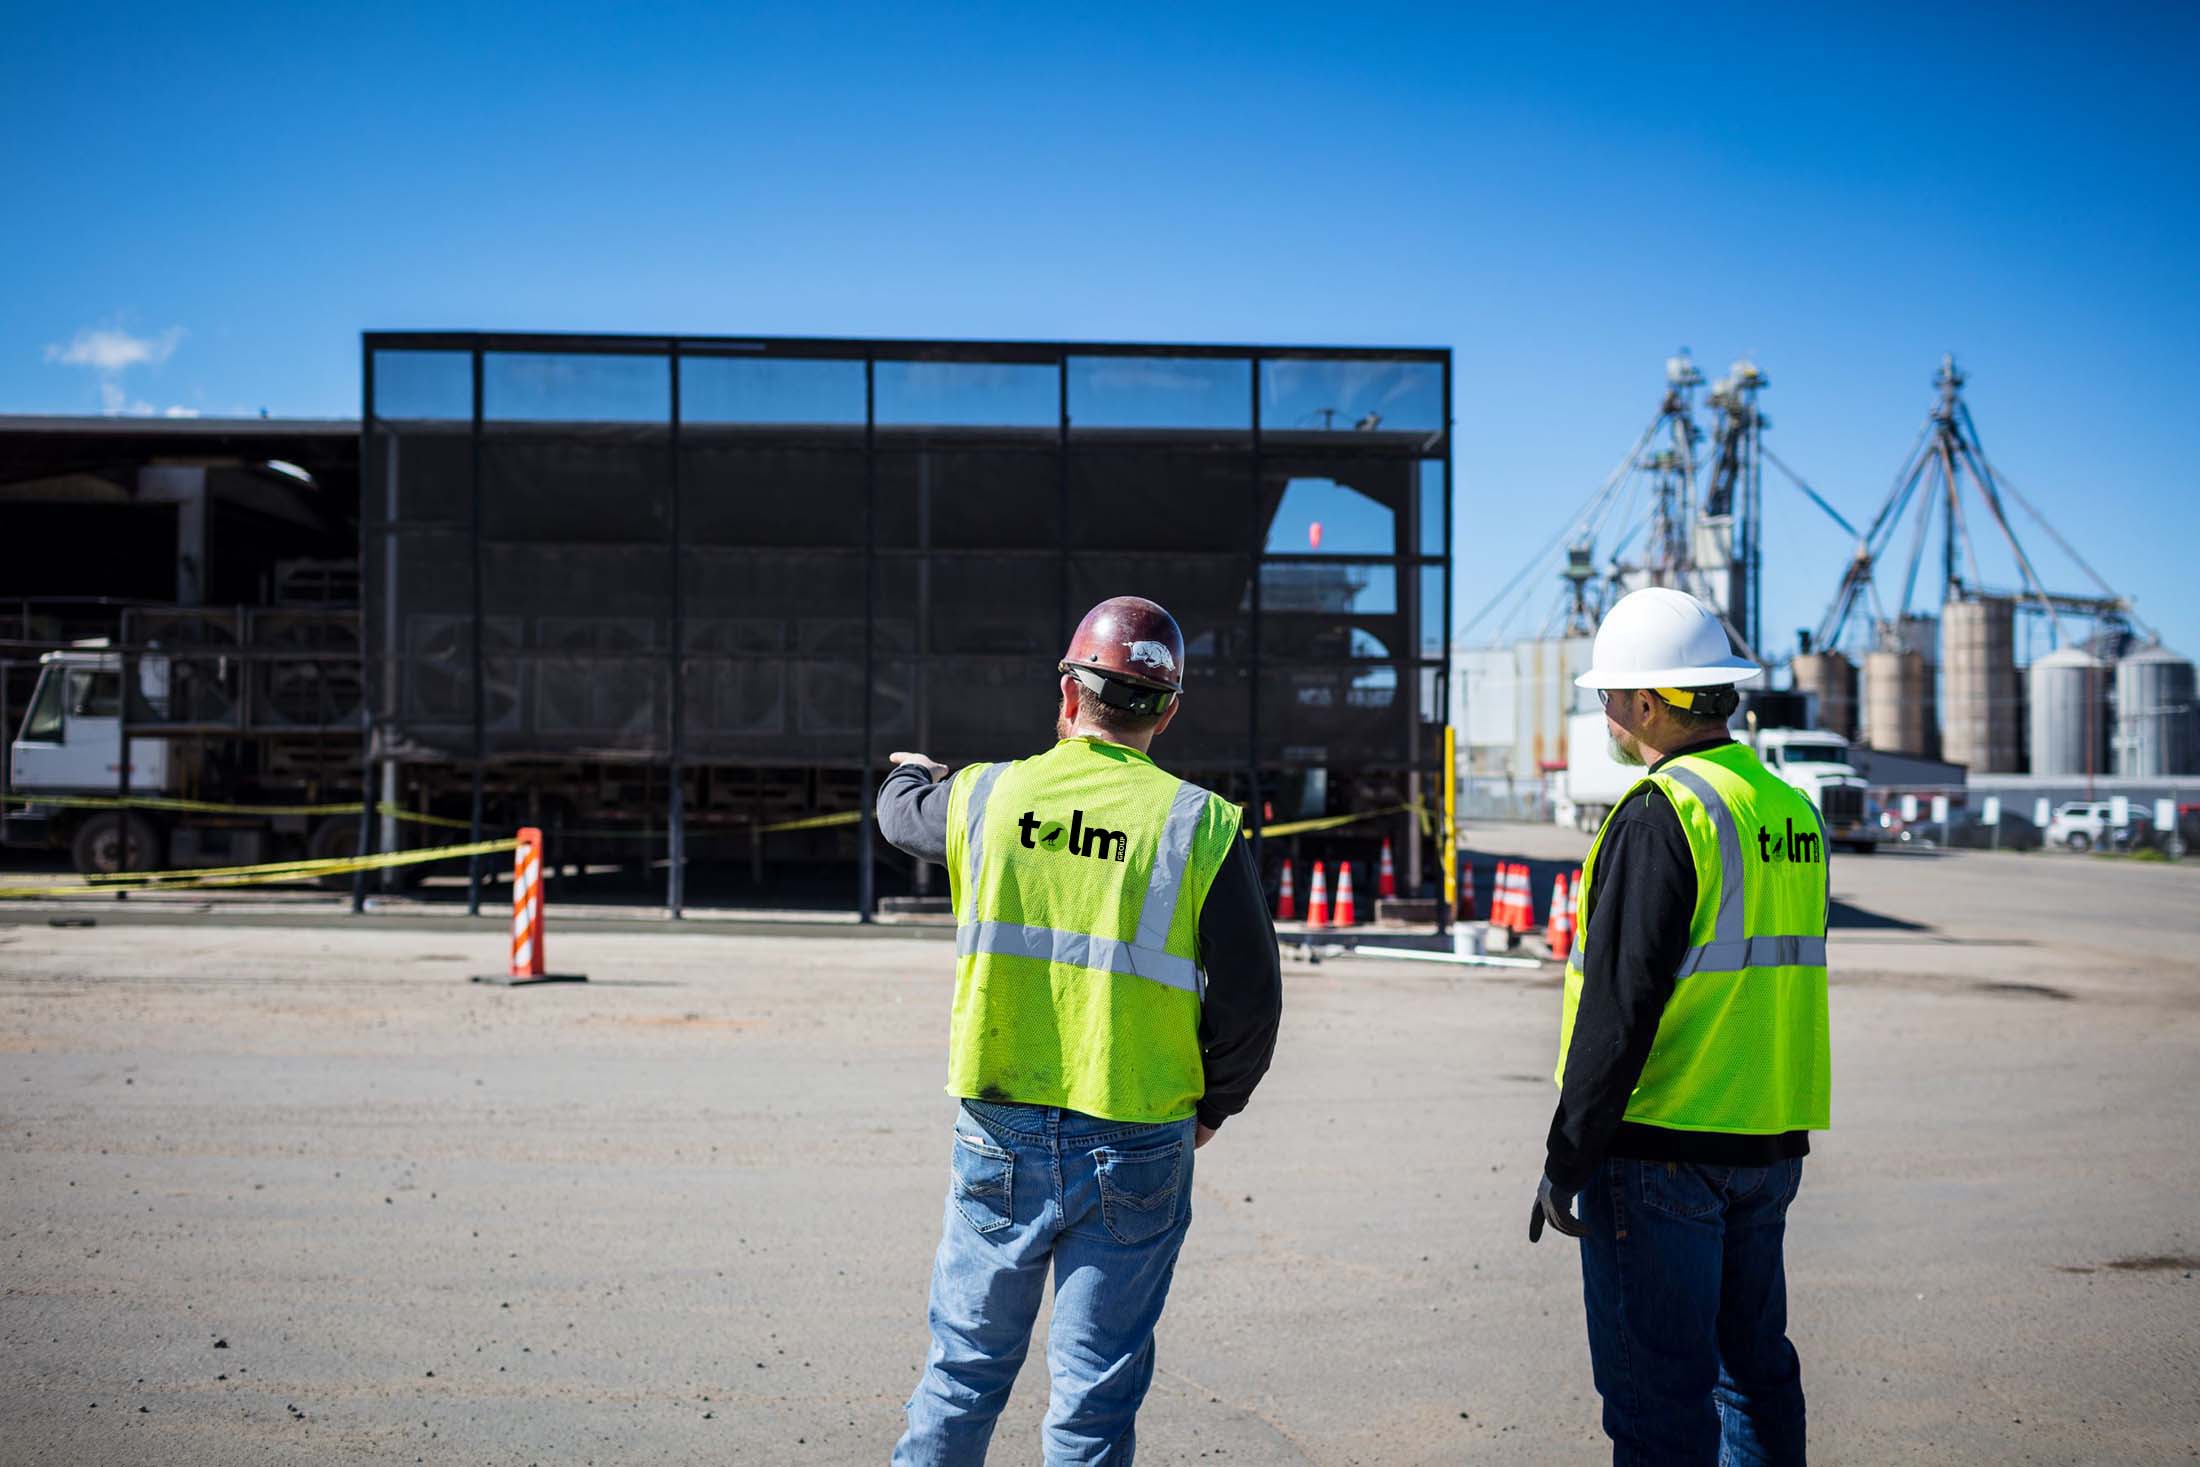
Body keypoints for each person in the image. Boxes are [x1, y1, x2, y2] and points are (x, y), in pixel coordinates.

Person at [877, 594, 1282, 1466]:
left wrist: (911, 771)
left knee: (962, 1372)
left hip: (1000, 1129)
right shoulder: (1197, 824)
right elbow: (1253, 1000)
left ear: (1068, 696)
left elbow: (901, 813)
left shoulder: (987, 795)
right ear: (1167, 710)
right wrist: (1214, 1105)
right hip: (1139, 1132)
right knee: (1094, 1395)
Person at [1530, 586, 1832, 1466]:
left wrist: (1566, 1158)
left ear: (1651, 702)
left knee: (1658, 1403)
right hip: (1768, 1137)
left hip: (1663, 1145)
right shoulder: (1787, 808)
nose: (1605, 714)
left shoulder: (1667, 811)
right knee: (1755, 1375)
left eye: (1609, 696)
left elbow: (1617, 1010)